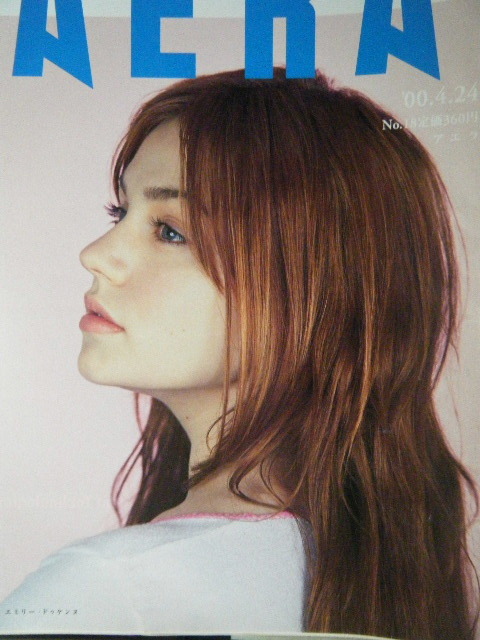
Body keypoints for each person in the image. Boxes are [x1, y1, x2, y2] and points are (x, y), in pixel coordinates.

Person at [0, 68, 478, 639]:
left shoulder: (104, 591)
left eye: (171, 231)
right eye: (119, 213)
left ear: (315, 289)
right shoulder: (396, 572)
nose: (96, 254)